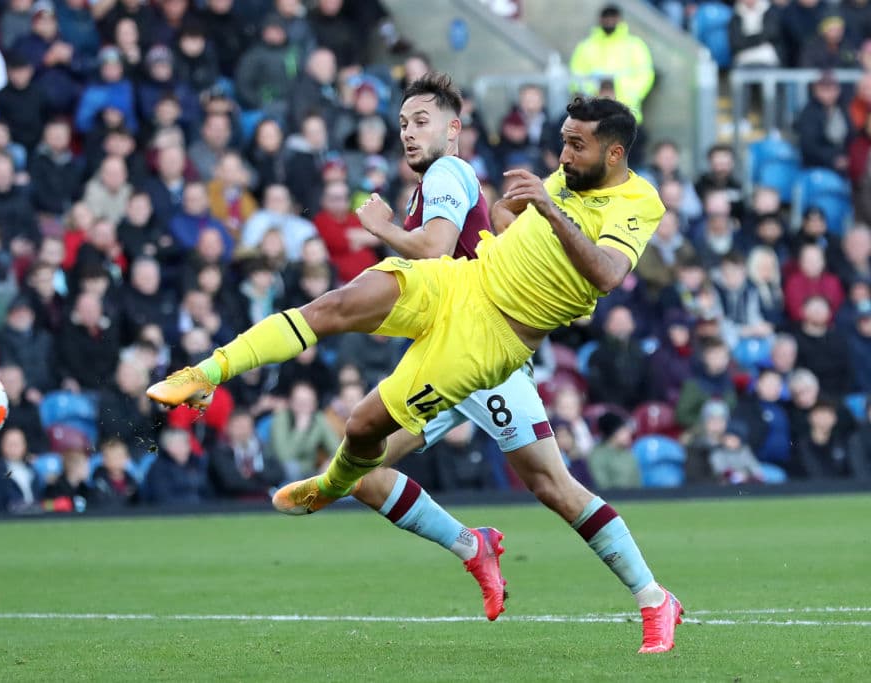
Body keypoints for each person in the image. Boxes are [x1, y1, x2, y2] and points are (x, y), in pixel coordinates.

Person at [147, 78, 680, 652]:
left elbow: (603, 274)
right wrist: (514, 220)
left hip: (490, 345)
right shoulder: (555, 176)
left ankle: (653, 598)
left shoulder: (635, 202)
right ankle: (207, 372)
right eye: (563, 143)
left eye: (577, 146)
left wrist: (536, 212)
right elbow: (503, 219)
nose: (564, 157)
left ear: (615, 152)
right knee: (338, 309)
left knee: (523, 477)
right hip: (464, 287)